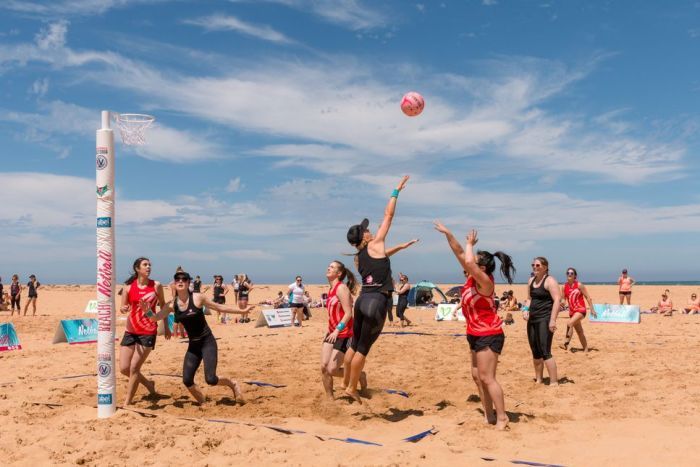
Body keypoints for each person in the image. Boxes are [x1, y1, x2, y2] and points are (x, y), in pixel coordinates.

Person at [434, 222, 514, 431]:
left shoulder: (485, 282)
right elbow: (460, 253)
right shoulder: (471, 280)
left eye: (475, 264)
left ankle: (503, 417)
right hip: (474, 333)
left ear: (482, 268)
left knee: (488, 377)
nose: (468, 265)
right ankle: (488, 415)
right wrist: (449, 234)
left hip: (489, 333)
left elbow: (468, 257)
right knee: (477, 377)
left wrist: (470, 244)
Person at [344, 175, 412, 403]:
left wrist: (400, 247)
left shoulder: (358, 257)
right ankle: (352, 388)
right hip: (377, 301)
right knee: (363, 349)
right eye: (366, 229)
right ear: (363, 236)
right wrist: (396, 191)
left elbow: (380, 258)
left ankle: (347, 383)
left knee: (354, 344)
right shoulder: (375, 243)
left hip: (362, 300)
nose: (369, 230)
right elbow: (388, 215)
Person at [148, 271, 249, 404]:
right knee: (187, 380)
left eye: (184, 279)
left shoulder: (198, 298)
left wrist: (242, 311)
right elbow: (155, 318)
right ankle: (203, 402)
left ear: (188, 282)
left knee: (211, 379)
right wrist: (147, 311)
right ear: (173, 284)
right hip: (193, 346)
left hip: (207, 342)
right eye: (177, 279)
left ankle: (233, 384)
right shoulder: (172, 305)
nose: (180, 281)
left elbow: (219, 307)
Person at [119, 257, 169, 406]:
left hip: (148, 331)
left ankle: (127, 402)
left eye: (149, 265)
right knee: (124, 368)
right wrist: (123, 308)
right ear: (137, 269)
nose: (148, 267)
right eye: (145, 265)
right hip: (130, 330)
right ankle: (148, 384)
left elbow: (164, 307)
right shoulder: (128, 287)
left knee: (134, 368)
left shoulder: (156, 285)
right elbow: (123, 307)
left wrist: (166, 327)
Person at [321, 260, 366, 398]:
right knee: (324, 367)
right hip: (332, 332)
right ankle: (330, 398)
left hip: (345, 333)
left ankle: (359, 375)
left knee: (332, 369)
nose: (328, 268)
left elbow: (348, 313)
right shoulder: (330, 289)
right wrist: (331, 330)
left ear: (339, 273)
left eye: (332, 267)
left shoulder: (341, 288)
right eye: (329, 266)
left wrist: (337, 330)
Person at [524, 257, 561, 386]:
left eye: (538, 265)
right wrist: (525, 309)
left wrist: (552, 320)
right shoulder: (530, 281)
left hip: (545, 319)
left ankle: (553, 381)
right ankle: (539, 379)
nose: (535, 267)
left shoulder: (550, 281)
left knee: (545, 351)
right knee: (535, 350)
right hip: (532, 319)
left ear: (545, 267)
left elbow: (557, 300)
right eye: (533, 264)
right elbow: (529, 299)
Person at [560, 268, 597, 352]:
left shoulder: (579, 285)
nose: (569, 274)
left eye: (571, 273)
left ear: (575, 276)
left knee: (569, 323)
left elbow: (588, 297)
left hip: (581, 310)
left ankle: (566, 343)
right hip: (572, 312)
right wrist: (561, 302)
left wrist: (592, 309)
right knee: (580, 332)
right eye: (568, 273)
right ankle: (586, 350)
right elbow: (563, 299)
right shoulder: (563, 287)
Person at [169, 266, 188, 338]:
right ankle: (176, 336)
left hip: (182, 301)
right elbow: (174, 294)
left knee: (181, 320)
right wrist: (173, 303)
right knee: (176, 320)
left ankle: (182, 335)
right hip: (178, 301)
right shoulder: (174, 283)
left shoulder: (176, 282)